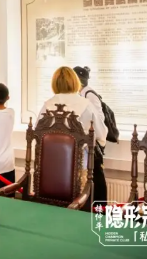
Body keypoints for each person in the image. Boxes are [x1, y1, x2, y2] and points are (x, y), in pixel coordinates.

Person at [37, 67, 108, 208]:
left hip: (49, 169)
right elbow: (101, 133)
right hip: (79, 171)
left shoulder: (47, 105)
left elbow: (38, 135)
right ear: (75, 82)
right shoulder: (85, 105)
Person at [73, 66, 108, 203]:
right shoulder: (83, 94)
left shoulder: (88, 95)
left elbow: (98, 120)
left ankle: (100, 208)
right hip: (88, 143)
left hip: (92, 143)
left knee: (96, 176)